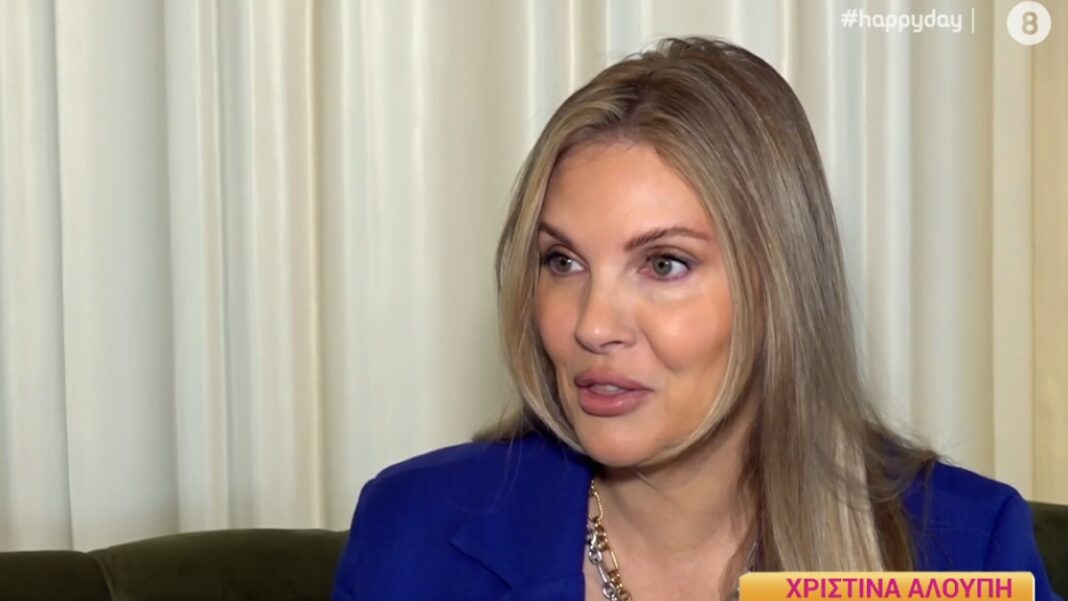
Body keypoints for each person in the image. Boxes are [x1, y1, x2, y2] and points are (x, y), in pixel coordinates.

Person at [331, 37, 1061, 601]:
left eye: (664, 264)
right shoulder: (413, 531)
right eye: (563, 261)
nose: (592, 326)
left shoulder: (964, 548)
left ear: (778, 289)